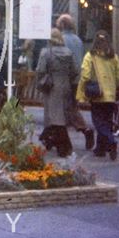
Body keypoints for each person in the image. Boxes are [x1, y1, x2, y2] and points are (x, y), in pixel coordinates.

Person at [76, 30, 119, 160]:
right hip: (110, 96)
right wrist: (112, 86)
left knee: (98, 123)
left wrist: (81, 95)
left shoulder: (90, 56)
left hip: (97, 95)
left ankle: (111, 141)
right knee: (107, 122)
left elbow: (85, 76)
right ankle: (100, 149)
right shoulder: (113, 56)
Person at [36, 29, 79, 157]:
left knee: (55, 117)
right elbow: (75, 71)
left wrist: (41, 82)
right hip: (65, 85)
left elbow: (40, 70)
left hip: (52, 86)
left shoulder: (46, 52)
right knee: (61, 115)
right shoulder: (68, 52)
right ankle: (50, 139)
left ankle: (64, 146)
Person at [56, 13, 94, 150]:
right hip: (77, 79)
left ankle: (83, 130)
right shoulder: (78, 40)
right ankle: (57, 137)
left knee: (66, 108)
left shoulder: (62, 40)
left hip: (64, 78)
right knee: (70, 106)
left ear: (62, 25)